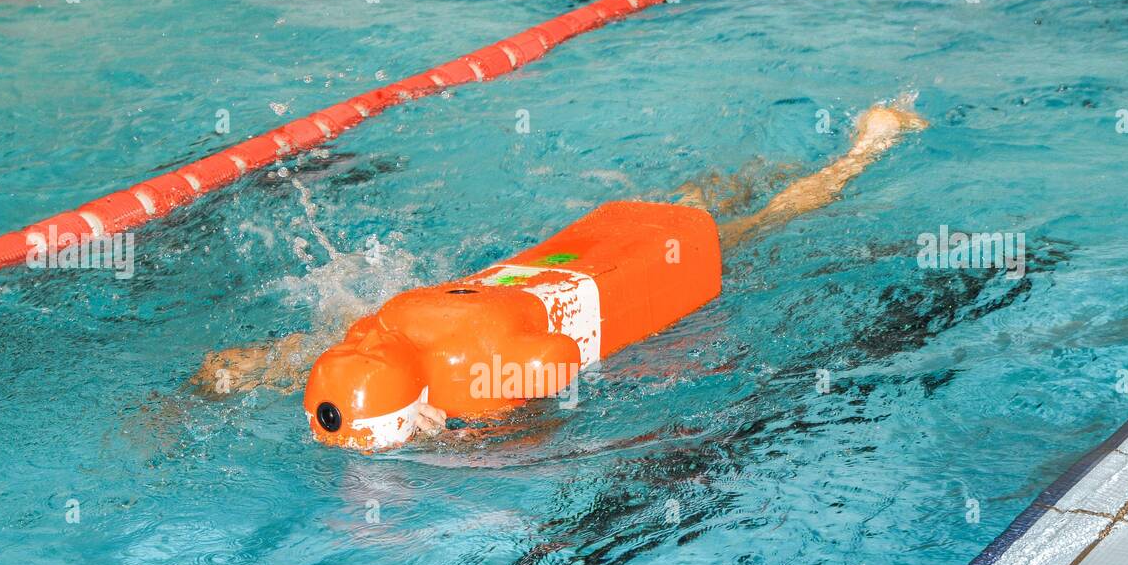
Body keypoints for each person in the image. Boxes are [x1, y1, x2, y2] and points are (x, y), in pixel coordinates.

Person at [190, 95, 928, 437]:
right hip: (577, 259)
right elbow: (246, 364)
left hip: (595, 277)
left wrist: (494, 432)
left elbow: (546, 379)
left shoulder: (434, 371)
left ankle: (867, 146)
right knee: (696, 215)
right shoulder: (381, 328)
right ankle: (720, 184)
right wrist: (227, 376)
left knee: (757, 230)